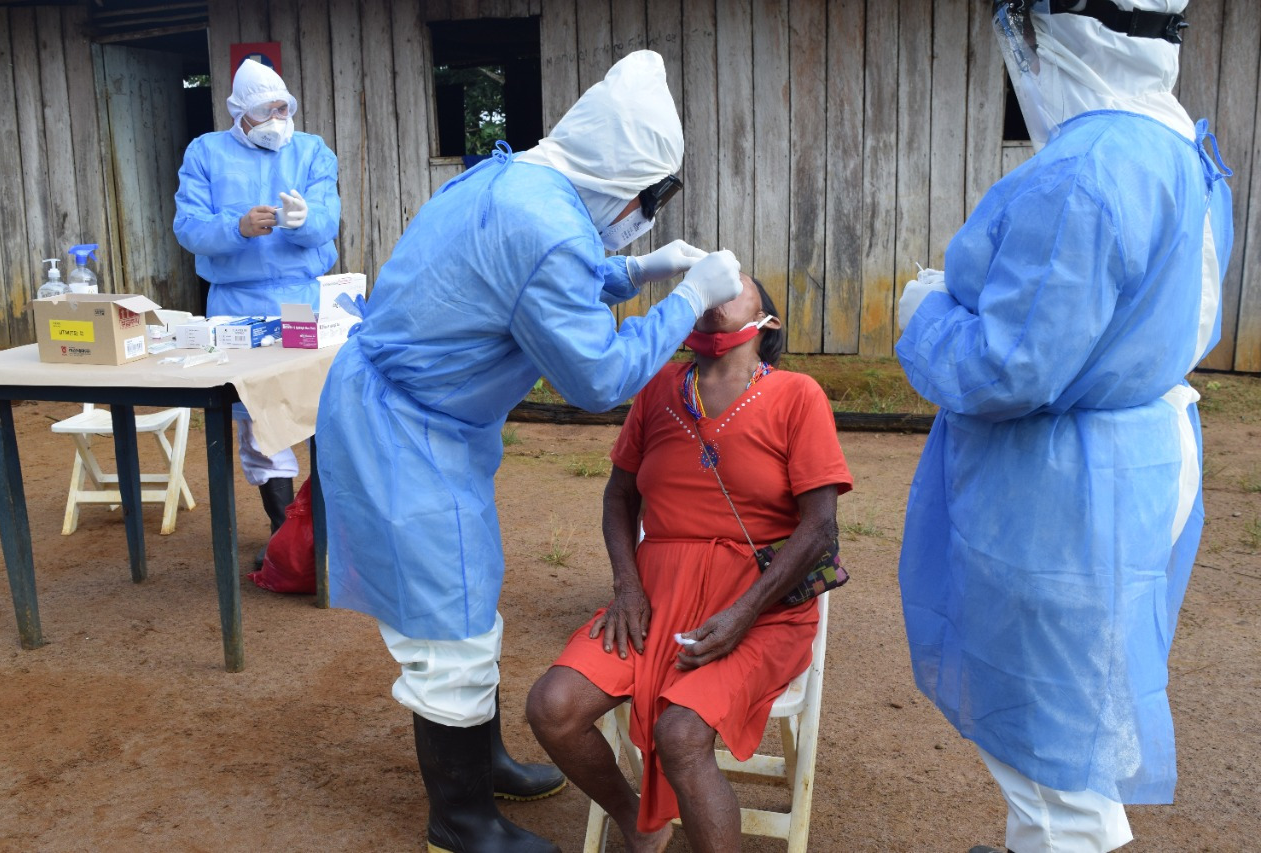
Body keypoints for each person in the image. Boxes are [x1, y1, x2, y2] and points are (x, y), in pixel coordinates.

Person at [314, 50, 743, 853]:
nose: (646, 213)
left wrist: (637, 270)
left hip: (420, 418)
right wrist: (686, 297)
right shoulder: (546, 227)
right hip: (405, 434)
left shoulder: (515, 180)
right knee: (449, 628)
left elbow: (534, 277)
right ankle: (461, 819)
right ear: (617, 180)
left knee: (469, 599)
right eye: (649, 199)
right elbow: (597, 375)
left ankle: (483, 761)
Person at [894, 2, 1233, 851]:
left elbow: (1009, 366)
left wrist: (924, 312)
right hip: (1138, 461)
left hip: (1063, 493)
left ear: (1067, 32)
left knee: (1051, 757)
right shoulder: (1182, 147)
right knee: (1085, 714)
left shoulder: (1083, 169)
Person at [526, 274, 853, 852]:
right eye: (709, 284)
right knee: (552, 707)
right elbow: (619, 497)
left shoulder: (797, 395)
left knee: (681, 734)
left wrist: (744, 614)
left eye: (734, 285)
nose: (716, 291)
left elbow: (820, 527)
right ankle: (636, 821)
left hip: (760, 609)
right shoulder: (658, 388)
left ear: (767, 322)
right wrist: (627, 588)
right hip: (652, 602)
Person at [173, 58, 341, 567]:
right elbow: (188, 227)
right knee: (257, 421)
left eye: (283, 109)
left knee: (318, 408)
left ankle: (327, 530)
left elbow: (329, 218)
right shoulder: (205, 152)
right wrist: (237, 228)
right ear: (239, 111)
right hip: (236, 306)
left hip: (300, 301)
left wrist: (307, 220)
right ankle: (284, 535)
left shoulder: (311, 150)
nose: (277, 120)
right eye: (266, 111)